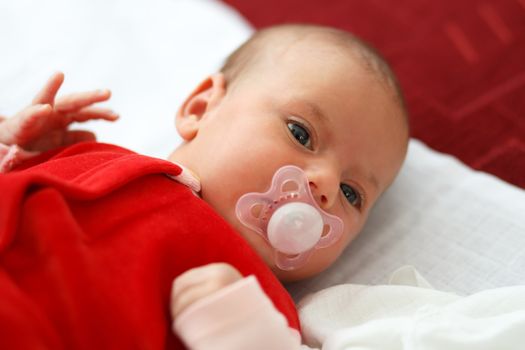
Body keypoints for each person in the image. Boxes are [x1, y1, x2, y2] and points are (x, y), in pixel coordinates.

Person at [0, 24, 409, 349]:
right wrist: (13, 147)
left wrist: (247, 335)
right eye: (301, 134)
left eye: (351, 193)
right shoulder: (97, 154)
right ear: (201, 109)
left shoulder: (256, 306)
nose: (325, 185)